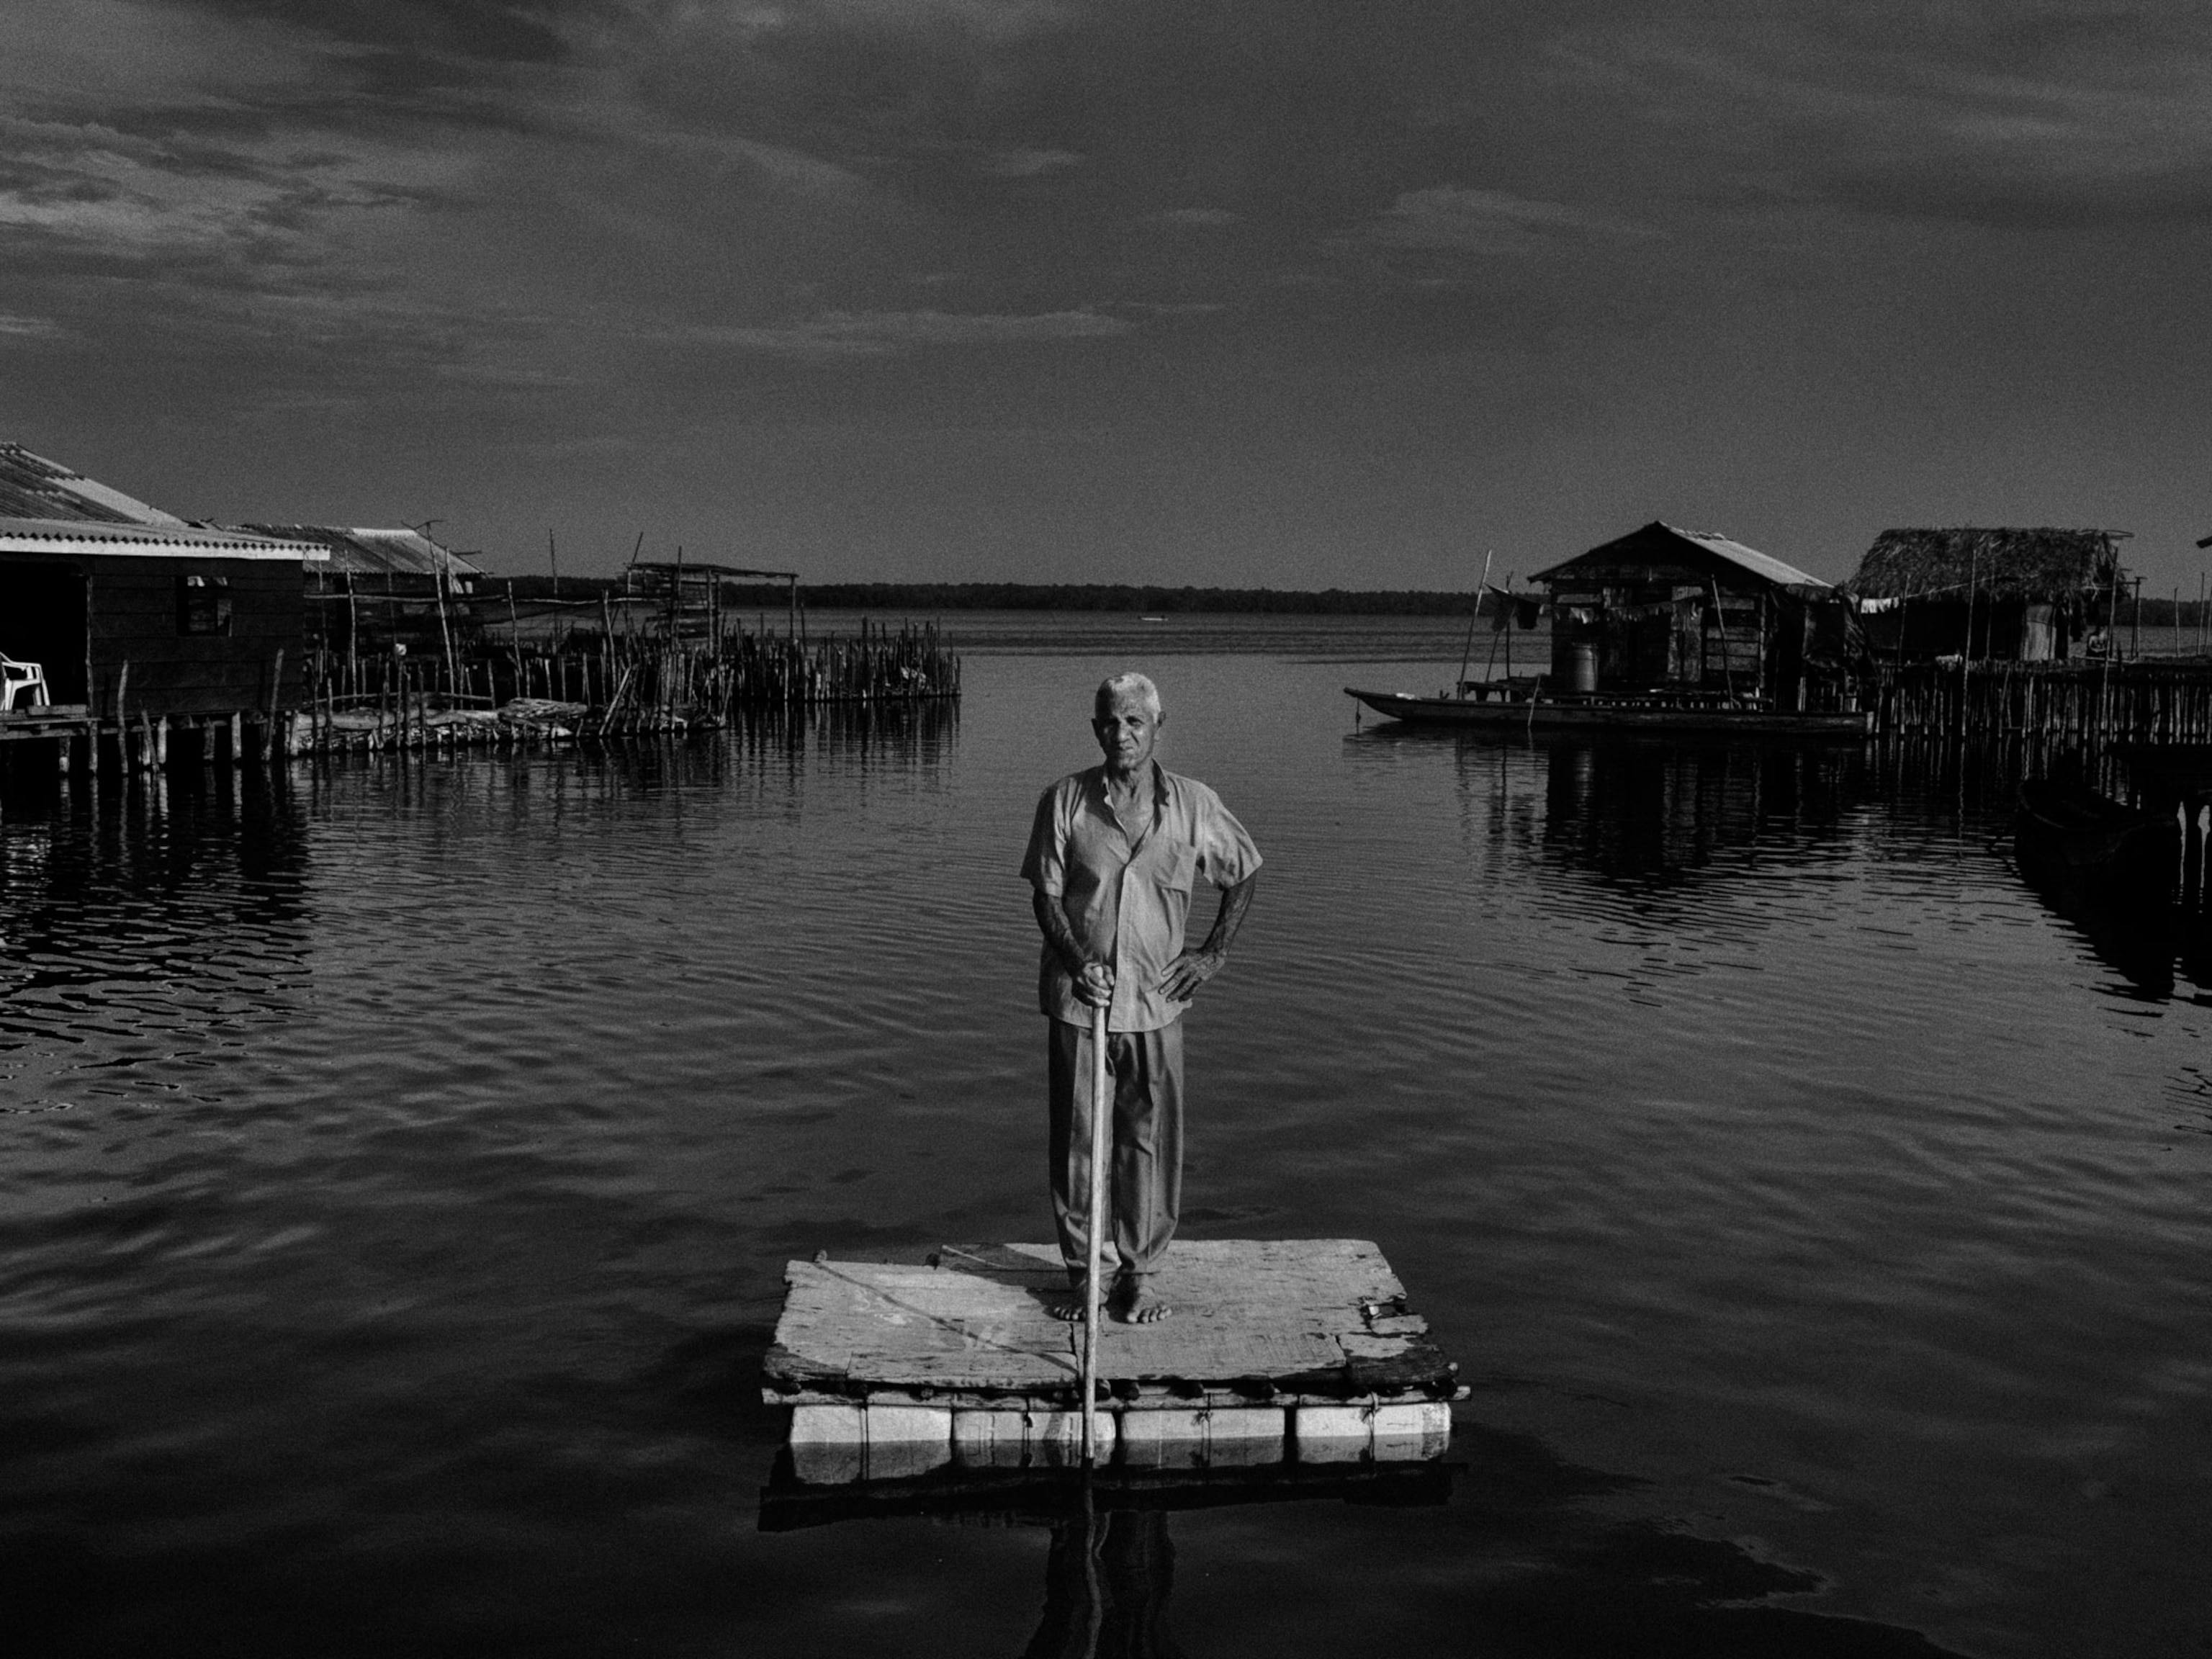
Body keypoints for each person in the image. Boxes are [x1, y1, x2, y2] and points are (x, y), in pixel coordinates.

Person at [1020, 672, 1261, 1324]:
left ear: (1159, 725)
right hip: (1080, 1001)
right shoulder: (1065, 799)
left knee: (1148, 1140)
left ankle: (1138, 1275)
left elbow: (1244, 873)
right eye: (1109, 722)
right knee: (1077, 1140)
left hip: (1155, 1002)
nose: (1121, 734)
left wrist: (1212, 955)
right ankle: (1080, 1275)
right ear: (1095, 728)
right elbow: (1045, 896)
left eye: (1134, 722)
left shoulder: (1194, 805)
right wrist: (1076, 960)